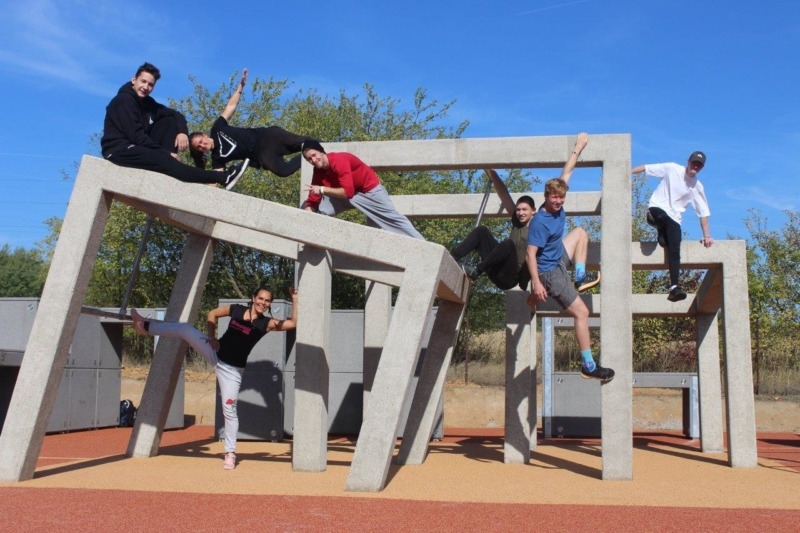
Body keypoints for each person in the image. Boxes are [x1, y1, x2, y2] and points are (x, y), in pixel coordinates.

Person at [130, 287, 298, 470]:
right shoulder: (237, 310)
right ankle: (144, 326)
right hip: (215, 352)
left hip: (232, 371)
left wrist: (295, 299)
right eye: (260, 298)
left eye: (266, 301)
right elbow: (212, 314)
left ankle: (230, 453)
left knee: (229, 410)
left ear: (269, 304)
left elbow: (293, 323)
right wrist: (211, 336)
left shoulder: (267, 323)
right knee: (184, 329)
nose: (262, 303)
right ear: (253, 298)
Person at [526, 133, 614, 383]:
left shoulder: (560, 201)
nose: (558, 202)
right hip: (548, 271)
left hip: (558, 258)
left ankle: (579, 276)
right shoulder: (540, 222)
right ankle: (588, 364)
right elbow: (530, 255)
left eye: (562, 198)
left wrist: (578, 147)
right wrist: (538, 282)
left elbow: (567, 172)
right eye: (554, 198)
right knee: (582, 313)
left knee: (580, 233)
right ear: (546, 196)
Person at [101, 62, 248, 190]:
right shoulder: (123, 101)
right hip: (120, 150)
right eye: (143, 81)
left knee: (169, 121)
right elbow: (136, 136)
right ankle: (223, 177)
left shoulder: (149, 104)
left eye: (150, 84)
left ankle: (169, 168)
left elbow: (176, 114)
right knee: (167, 161)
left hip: (140, 147)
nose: (146, 87)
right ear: (134, 80)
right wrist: (165, 154)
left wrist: (182, 132)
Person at [451, 168, 600, 293]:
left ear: (534, 212)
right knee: (482, 231)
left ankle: (476, 271)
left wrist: (575, 152)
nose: (521, 213)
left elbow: (559, 186)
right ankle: (450, 257)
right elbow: (504, 194)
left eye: (525, 210)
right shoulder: (516, 221)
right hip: (495, 268)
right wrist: (492, 172)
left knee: (508, 245)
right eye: (518, 210)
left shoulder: (539, 223)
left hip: (511, 276)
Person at [189, 68, 316, 177]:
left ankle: (325, 150)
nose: (202, 146)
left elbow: (230, 107)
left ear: (204, 135)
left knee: (307, 142)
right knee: (283, 171)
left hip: (267, 137)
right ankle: (308, 156)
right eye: (199, 147)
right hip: (262, 154)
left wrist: (240, 87)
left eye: (200, 141)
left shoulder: (217, 129)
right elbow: (216, 178)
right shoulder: (217, 158)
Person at [300, 140, 424, 239]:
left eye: (314, 155)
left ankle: (423, 246)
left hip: (369, 191)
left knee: (389, 220)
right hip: (349, 195)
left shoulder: (339, 161)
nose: (314, 160)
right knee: (322, 208)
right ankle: (317, 235)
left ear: (321, 152)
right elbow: (314, 196)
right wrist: (308, 212)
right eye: (309, 159)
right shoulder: (318, 171)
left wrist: (322, 189)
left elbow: (346, 192)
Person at [632, 151, 713, 302]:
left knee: (675, 247)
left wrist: (707, 235)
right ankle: (662, 232)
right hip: (656, 211)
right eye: (694, 162)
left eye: (699, 165)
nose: (695, 166)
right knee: (666, 220)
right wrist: (626, 173)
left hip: (673, 219)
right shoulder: (672, 168)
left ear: (701, 167)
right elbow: (646, 168)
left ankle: (674, 287)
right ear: (687, 161)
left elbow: (703, 213)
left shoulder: (697, 187)